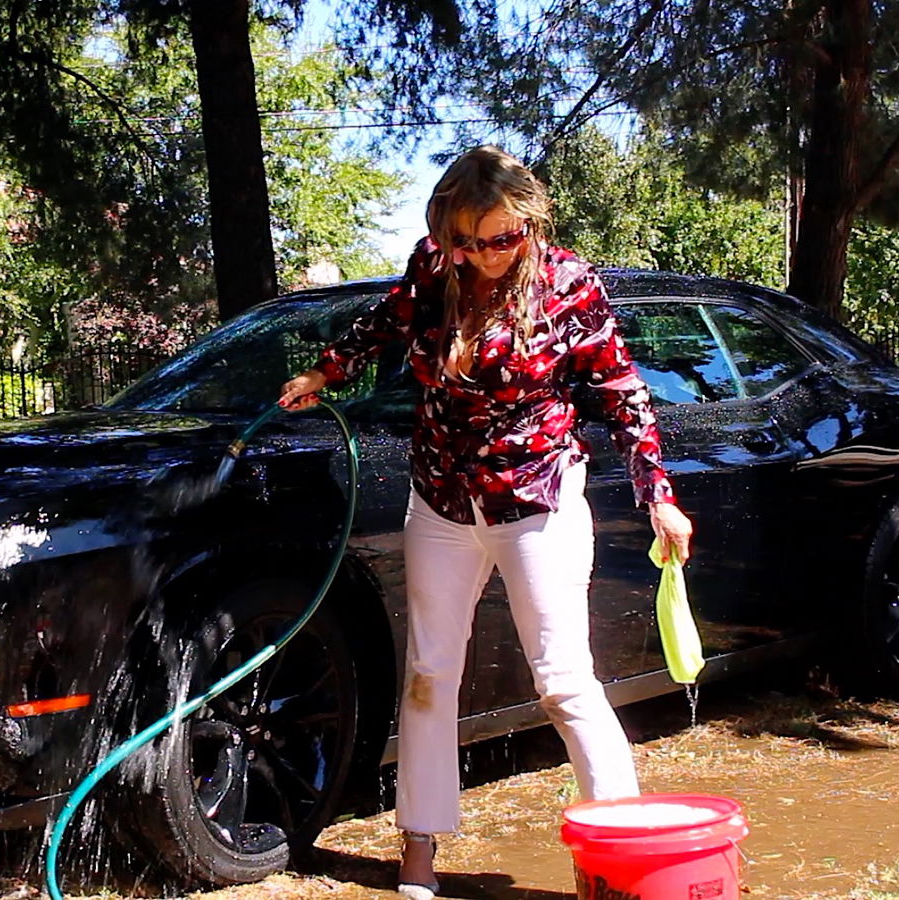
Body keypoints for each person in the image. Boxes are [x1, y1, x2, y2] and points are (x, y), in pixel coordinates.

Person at [277, 146, 693, 900]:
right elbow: (387, 320)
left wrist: (657, 493)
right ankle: (419, 844)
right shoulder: (436, 267)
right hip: (441, 497)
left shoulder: (567, 284)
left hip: (537, 496)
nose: (482, 255)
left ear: (529, 221)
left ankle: (621, 856)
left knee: (563, 680)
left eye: (500, 238)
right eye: (464, 240)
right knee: (430, 673)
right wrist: (325, 371)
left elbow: (622, 393)